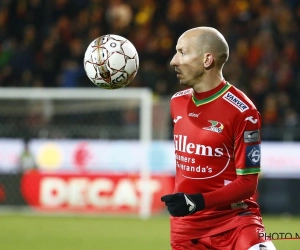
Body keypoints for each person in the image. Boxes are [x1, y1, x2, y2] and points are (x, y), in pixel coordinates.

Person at [161, 27, 276, 250]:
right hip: (186, 229)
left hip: (235, 224)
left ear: (207, 60)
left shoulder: (243, 111)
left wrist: (198, 202)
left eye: (182, 52)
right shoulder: (177, 103)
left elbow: (247, 184)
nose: (174, 61)